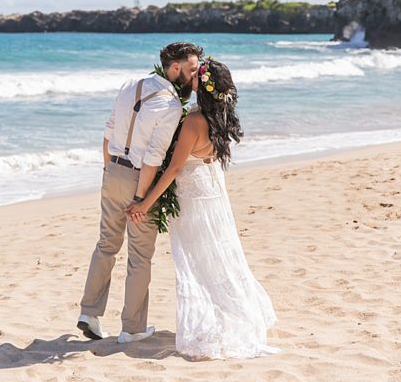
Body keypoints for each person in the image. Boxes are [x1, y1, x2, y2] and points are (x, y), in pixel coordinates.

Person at [126, 57, 277, 359]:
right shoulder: (221, 117)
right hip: (212, 193)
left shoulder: (194, 122)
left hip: (193, 200)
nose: (192, 75)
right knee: (217, 257)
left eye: (197, 73)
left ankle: (216, 322)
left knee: (197, 263)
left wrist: (144, 203)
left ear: (202, 86)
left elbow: (171, 171)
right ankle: (230, 316)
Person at [78, 42, 202, 344]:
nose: (193, 76)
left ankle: (89, 313)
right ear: (175, 68)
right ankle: (132, 327)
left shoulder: (129, 85)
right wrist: (141, 200)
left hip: (113, 173)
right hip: (139, 180)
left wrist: (109, 171)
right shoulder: (172, 106)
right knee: (139, 257)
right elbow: (153, 159)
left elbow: (107, 134)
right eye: (191, 69)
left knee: (106, 244)